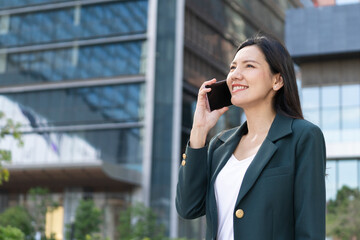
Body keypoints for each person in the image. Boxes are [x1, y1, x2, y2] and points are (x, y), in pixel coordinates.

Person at [176, 33, 326, 240]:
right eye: (232, 67)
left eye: (249, 66)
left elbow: (309, 230)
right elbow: (187, 207)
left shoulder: (303, 137)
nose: (235, 74)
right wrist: (199, 130)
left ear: (277, 80)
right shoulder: (219, 145)